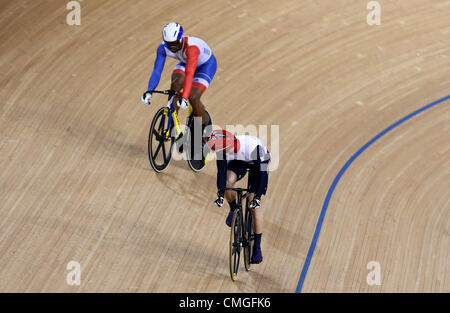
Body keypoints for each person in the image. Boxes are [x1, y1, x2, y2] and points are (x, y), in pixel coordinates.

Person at [206, 130, 270, 264]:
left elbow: (262, 175)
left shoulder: (254, 148)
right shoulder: (222, 148)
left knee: (254, 205)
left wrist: (257, 197)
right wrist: (220, 194)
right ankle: (233, 208)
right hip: (239, 161)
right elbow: (221, 173)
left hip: (258, 164)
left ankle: (257, 248)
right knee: (227, 183)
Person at [141, 22, 217, 134]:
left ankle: (202, 133)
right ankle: (172, 123)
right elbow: (157, 71)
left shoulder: (192, 48)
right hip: (186, 62)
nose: (172, 47)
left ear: (180, 39)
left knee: (193, 97)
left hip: (205, 66)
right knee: (176, 84)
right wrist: (149, 91)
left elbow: (190, 73)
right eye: (169, 44)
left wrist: (185, 97)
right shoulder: (162, 48)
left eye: (175, 43)